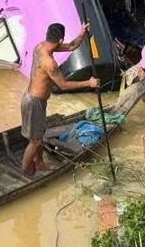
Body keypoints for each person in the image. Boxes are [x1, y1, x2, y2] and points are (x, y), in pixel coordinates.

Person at [21, 22, 99, 176]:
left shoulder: (40, 46)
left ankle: (40, 162)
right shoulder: (50, 63)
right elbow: (63, 85)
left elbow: (71, 46)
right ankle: (25, 173)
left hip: (34, 99)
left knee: (39, 136)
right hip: (33, 103)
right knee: (34, 141)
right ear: (60, 40)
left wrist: (82, 32)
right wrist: (89, 83)